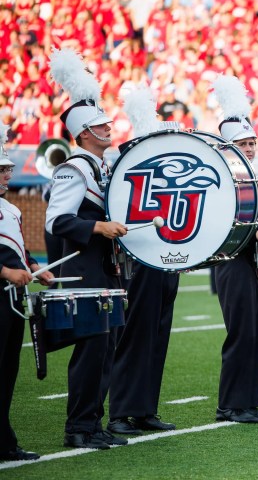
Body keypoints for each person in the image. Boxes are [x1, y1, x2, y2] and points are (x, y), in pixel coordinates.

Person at [46, 48, 128, 449]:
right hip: (86, 269)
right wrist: (99, 226)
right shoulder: (73, 168)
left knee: (107, 347)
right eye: (99, 126)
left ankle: (94, 423)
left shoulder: (103, 166)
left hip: (106, 267)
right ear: (82, 134)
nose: (108, 128)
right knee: (91, 350)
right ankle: (78, 426)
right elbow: (56, 221)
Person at [107, 85, 179, 435]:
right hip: (140, 259)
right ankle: (121, 411)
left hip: (167, 259)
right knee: (135, 335)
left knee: (158, 335)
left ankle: (145, 408)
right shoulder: (128, 170)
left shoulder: (171, 176)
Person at [210, 75, 258, 423]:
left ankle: (250, 403)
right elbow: (219, 223)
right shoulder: (220, 177)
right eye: (243, 143)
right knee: (241, 334)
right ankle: (230, 405)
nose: (250, 147)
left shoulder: (254, 175)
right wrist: (257, 237)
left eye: (252, 142)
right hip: (233, 262)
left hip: (257, 263)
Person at [0, 121, 53, 461]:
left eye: (8, 169)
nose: (8, 174)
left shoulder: (12, 208)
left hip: (13, 300)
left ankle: (3, 441)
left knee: (7, 372)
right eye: (2, 170)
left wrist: (34, 267)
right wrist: (5, 271)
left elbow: (17, 248)